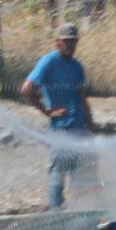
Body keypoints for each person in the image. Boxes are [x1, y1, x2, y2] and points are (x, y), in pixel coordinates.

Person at [21, 23, 94, 209]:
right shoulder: (49, 62)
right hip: (60, 127)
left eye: (73, 42)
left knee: (79, 171)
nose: (70, 45)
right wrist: (47, 111)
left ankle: (78, 210)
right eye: (66, 41)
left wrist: (91, 123)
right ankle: (56, 212)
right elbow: (27, 88)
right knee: (59, 169)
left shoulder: (77, 66)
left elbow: (81, 95)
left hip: (78, 126)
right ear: (58, 42)